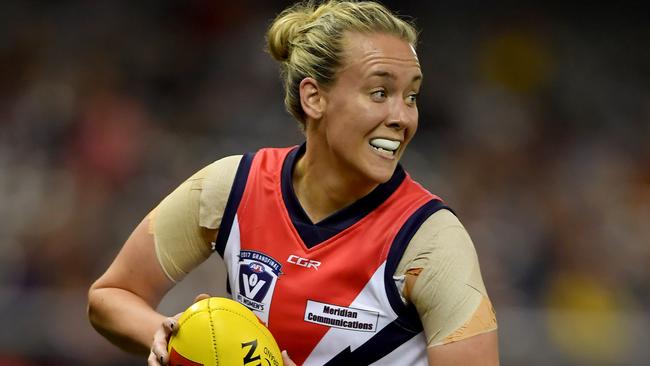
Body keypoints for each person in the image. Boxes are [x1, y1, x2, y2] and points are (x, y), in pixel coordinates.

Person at [87, 1, 499, 365]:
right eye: (379, 92)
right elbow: (110, 296)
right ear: (314, 98)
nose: (403, 117)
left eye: (411, 96)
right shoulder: (233, 187)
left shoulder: (431, 240)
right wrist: (170, 337)